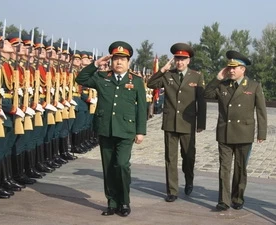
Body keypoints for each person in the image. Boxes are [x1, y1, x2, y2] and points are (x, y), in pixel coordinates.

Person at [76, 41, 147, 217]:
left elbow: (142, 108)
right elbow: (81, 79)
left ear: (128, 62)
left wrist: (140, 131)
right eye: (115, 59)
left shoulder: (136, 81)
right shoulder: (102, 77)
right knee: (108, 167)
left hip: (126, 130)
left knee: (122, 165)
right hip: (105, 129)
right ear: (111, 60)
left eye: (123, 59)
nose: (119, 63)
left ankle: (124, 201)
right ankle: (112, 203)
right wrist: (96, 64)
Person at [204, 50, 267, 211]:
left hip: (243, 133)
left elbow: (261, 111)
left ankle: (237, 197)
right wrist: (218, 78)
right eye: (229, 67)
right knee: (224, 168)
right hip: (225, 132)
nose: (231, 70)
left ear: (243, 69)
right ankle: (223, 201)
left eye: (235, 67)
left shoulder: (253, 86)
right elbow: (206, 94)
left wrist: (261, 133)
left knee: (240, 169)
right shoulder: (223, 85)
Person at [147, 43, 207, 202]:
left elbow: (201, 101)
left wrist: (201, 122)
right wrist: (162, 70)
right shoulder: (168, 75)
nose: (180, 62)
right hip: (170, 122)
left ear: (189, 60)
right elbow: (151, 84)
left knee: (188, 156)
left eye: (183, 59)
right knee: (170, 157)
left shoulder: (197, 76)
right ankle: (172, 190)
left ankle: (189, 179)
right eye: (177, 59)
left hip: (188, 123)